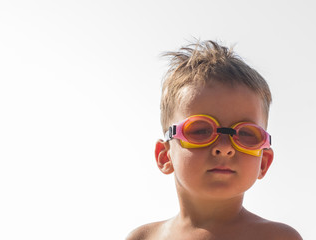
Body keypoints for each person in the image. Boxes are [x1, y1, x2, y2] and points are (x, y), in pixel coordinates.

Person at [126, 40, 302, 240]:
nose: (225, 148)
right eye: (201, 131)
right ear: (165, 156)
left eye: (245, 134)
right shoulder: (143, 238)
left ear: (264, 161)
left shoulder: (276, 238)